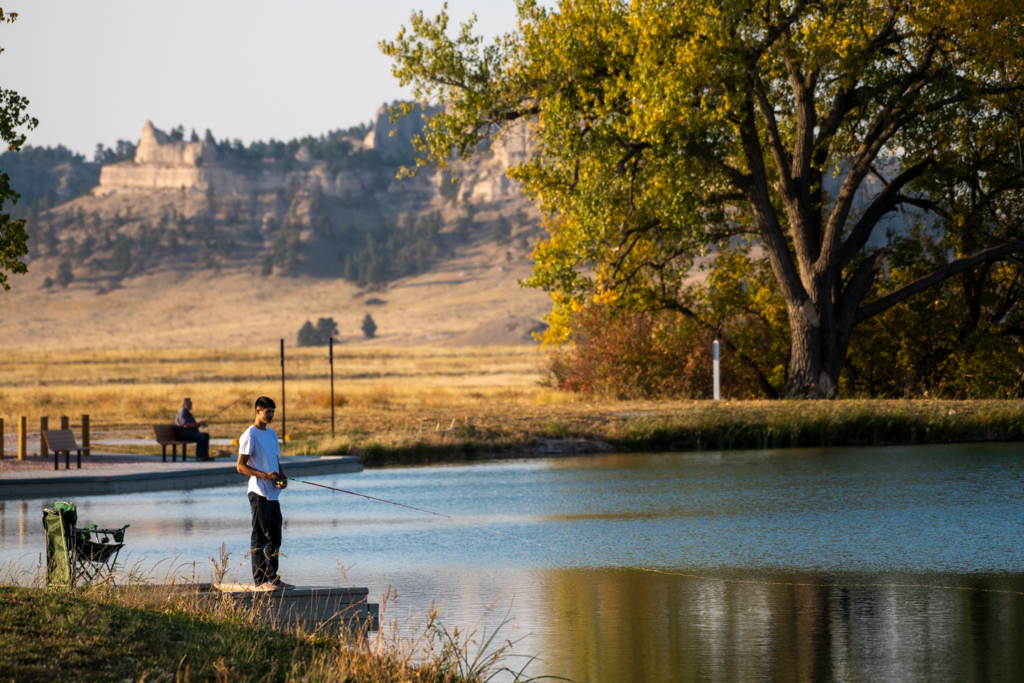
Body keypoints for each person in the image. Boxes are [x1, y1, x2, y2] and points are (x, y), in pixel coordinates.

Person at [236, 396, 293, 590]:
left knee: (275, 538)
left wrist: (282, 478)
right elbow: (241, 467)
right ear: (257, 411)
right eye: (267, 411)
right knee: (259, 539)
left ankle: (272, 578)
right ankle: (260, 582)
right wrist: (264, 476)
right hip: (258, 493)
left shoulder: (272, 434)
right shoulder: (249, 435)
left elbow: (275, 461)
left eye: (273, 412)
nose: (271, 415)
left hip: (273, 494)